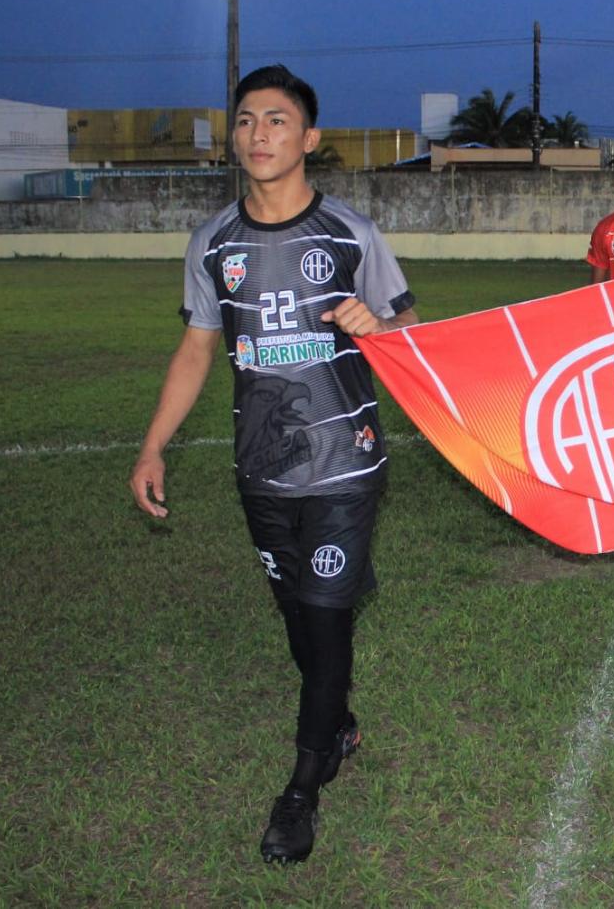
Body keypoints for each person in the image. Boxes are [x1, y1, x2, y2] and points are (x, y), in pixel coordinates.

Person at [129, 65, 418, 866]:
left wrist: (374, 329)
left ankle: (301, 788)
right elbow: (195, 350)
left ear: (310, 139)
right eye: (248, 120)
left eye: (279, 121)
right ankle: (339, 718)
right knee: (301, 621)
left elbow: (412, 343)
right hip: (261, 466)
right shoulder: (213, 243)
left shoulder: (352, 236)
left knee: (323, 621)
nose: (261, 135)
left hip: (346, 465)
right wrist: (153, 446)